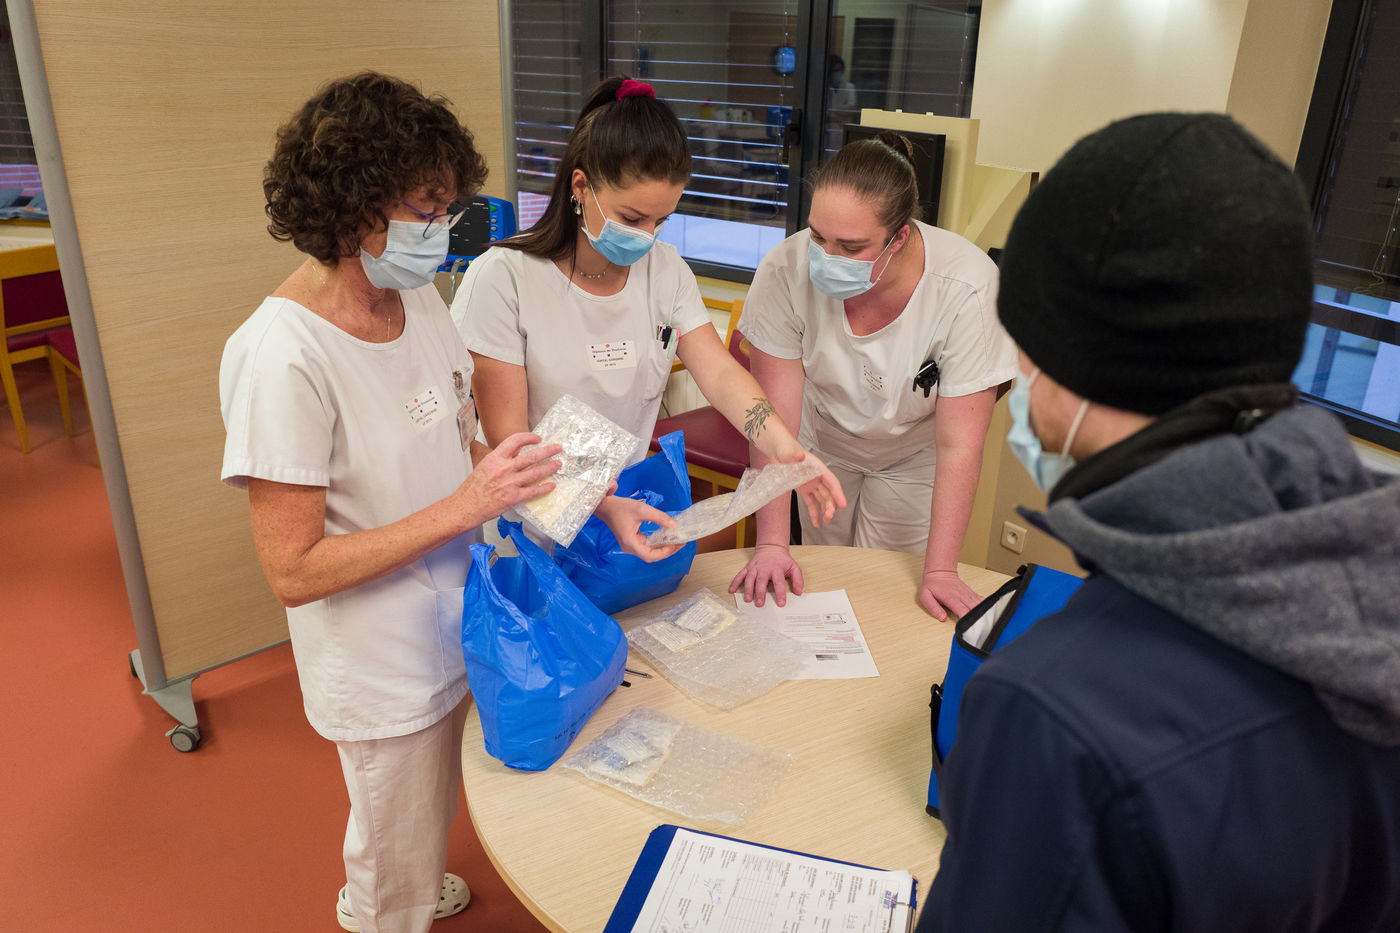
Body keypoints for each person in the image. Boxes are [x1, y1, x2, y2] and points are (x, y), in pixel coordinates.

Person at [918, 113, 1400, 931]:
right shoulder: (1369, 570)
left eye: (1022, 350)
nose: (1017, 384)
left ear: (1070, 360)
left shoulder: (1055, 714)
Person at [219, 73, 563, 933]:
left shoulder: (415, 296)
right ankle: (384, 910)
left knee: (426, 809)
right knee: (394, 845)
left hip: (453, 612)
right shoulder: (282, 357)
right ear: (351, 206)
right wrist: (468, 504)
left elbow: (457, 436)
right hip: (376, 654)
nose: (441, 229)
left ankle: (405, 883)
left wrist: (534, 486)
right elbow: (293, 570)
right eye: (424, 209)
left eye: (446, 207)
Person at [452, 76, 844, 557]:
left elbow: (721, 375)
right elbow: (510, 440)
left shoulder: (665, 271)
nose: (646, 237)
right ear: (581, 187)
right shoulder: (505, 278)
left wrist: (786, 448)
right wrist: (600, 505)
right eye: (632, 218)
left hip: (623, 513)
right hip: (529, 519)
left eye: (660, 221)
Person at [729, 132, 1016, 620]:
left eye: (851, 246)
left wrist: (942, 571)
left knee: (889, 595)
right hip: (820, 446)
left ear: (898, 237)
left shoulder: (967, 287)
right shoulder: (785, 270)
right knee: (824, 580)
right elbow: (772, 420)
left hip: (913, 458)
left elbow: (960, 446)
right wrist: (771, 544)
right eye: (817, 236)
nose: (826, 257)